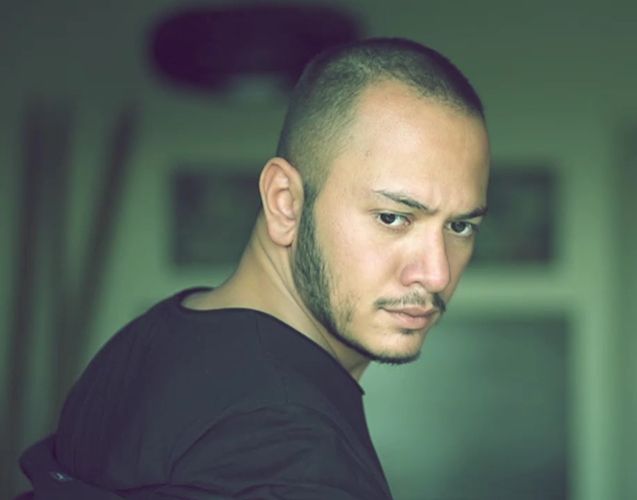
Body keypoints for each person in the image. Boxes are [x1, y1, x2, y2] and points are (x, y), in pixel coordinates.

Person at [19, 37, 490, 499]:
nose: (437, 274)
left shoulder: (146, 339)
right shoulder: (296, 452)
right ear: (285, 203)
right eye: (392, 218)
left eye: (460, 226)